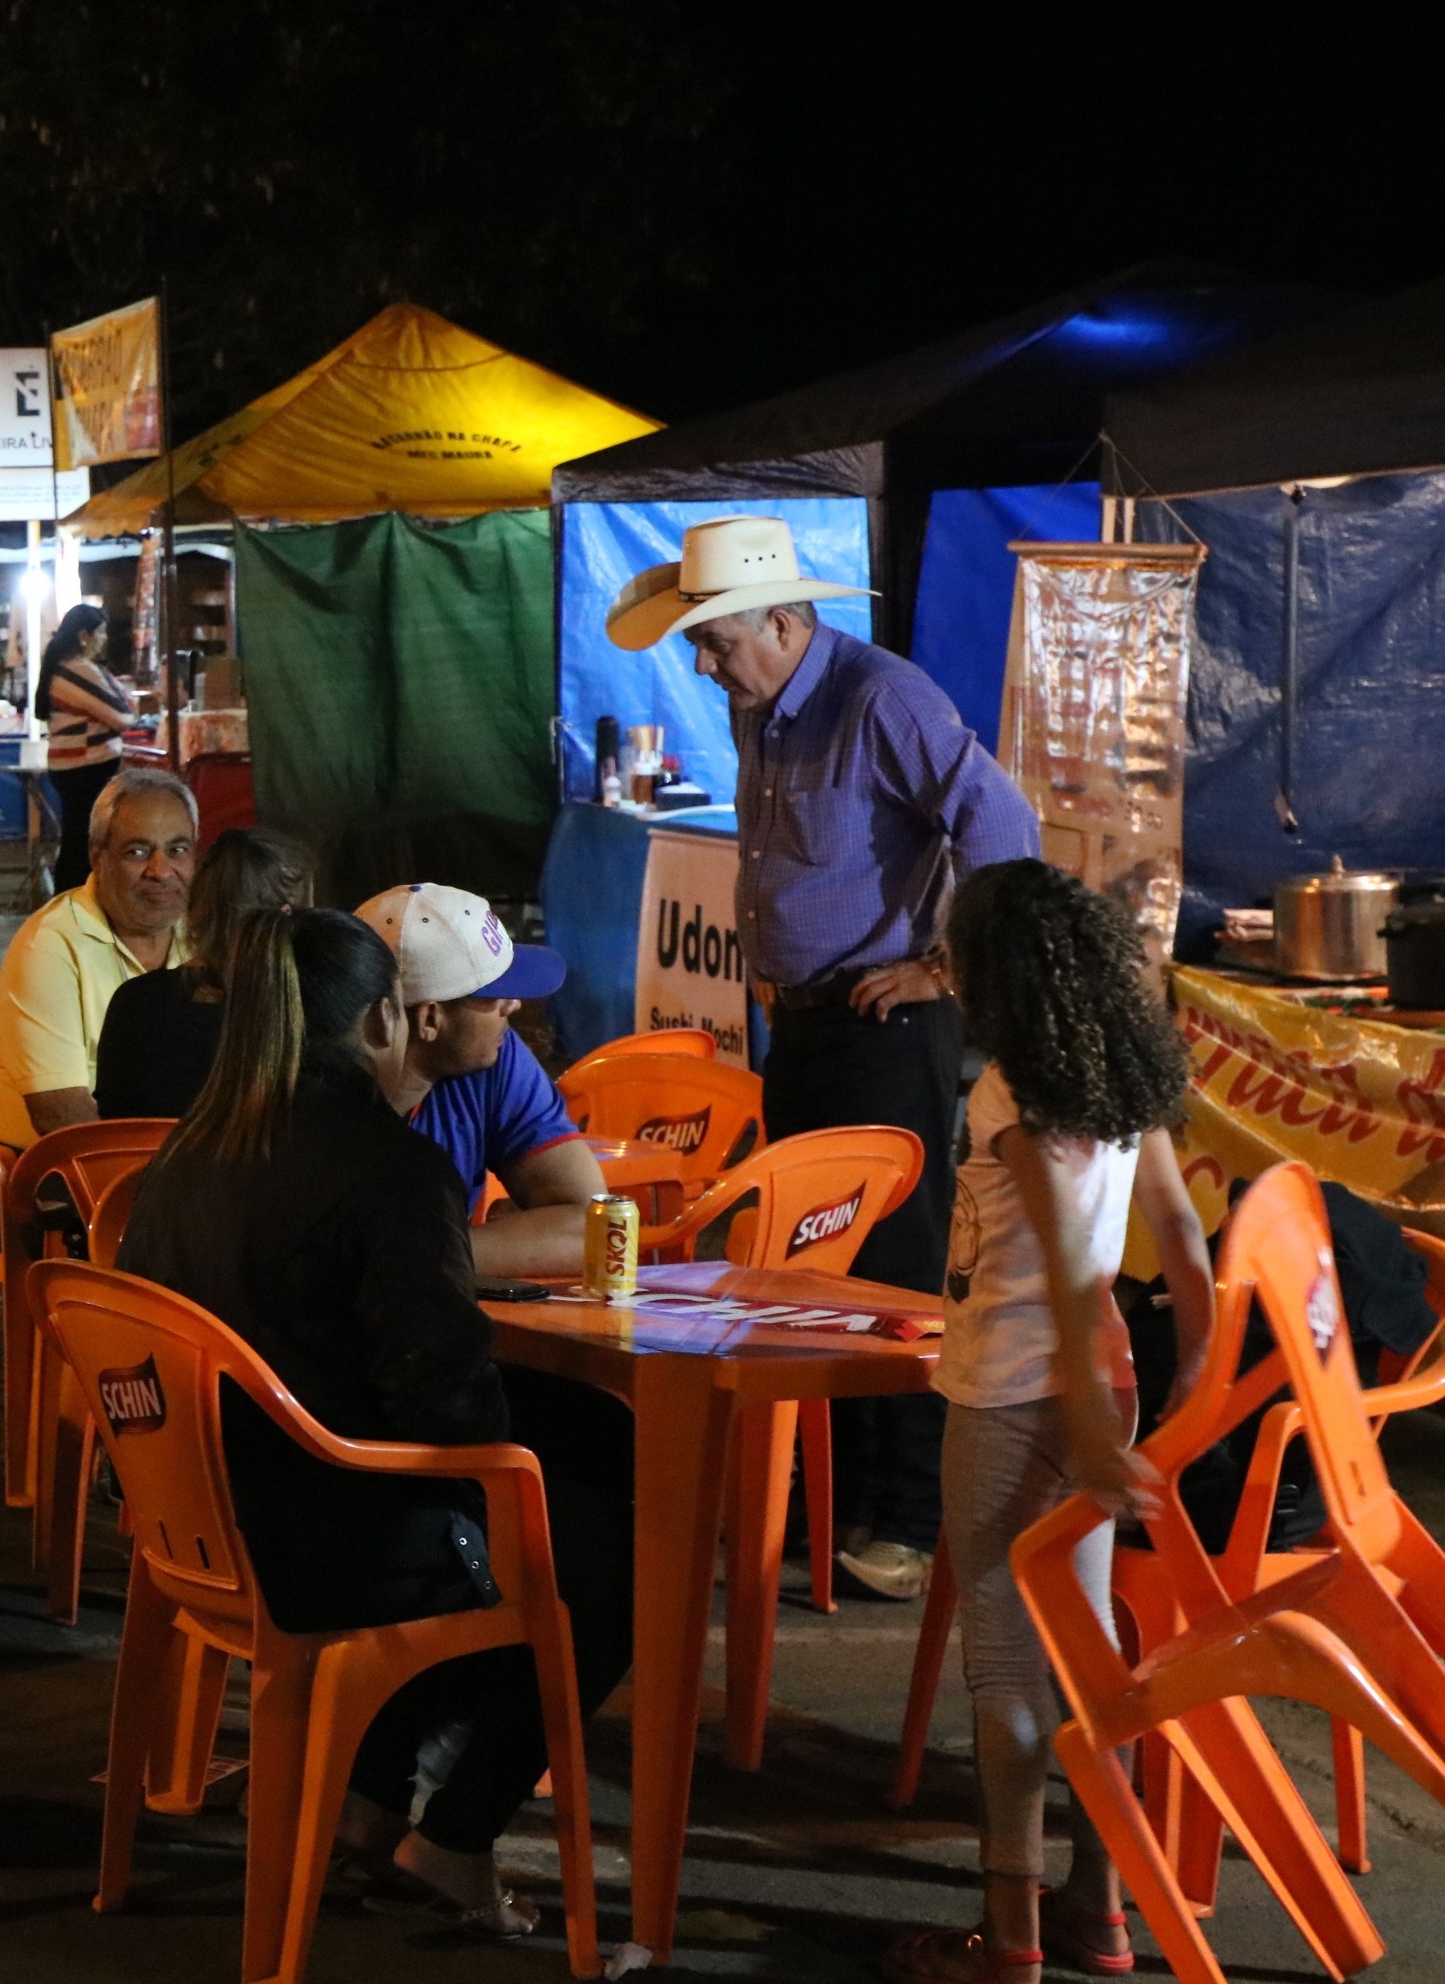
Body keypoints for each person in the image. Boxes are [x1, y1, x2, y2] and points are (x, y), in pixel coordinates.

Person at [115, 905, 633, 1938]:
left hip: (199, 1516)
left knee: (571, 1456)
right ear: (382, 1024)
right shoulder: (388, 1171)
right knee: (610, 1566)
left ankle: (371, 1794)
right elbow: (447, 1411)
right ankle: (455, 1837)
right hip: (320, 1538)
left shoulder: (181, 1162)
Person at [610, 513, 1039, 1599]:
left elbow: (1002, 820)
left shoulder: (880, 697)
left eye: (718, 643)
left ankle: (904, 1518)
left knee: (891, 1277)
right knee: (806, 1273)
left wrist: (944, 967)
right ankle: (833, 1502)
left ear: (788, 621)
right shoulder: (772, 701)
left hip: (882, 1024)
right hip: (805, 1021)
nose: (705, 667)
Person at [877, 860, 1213, 1984]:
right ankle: (1098, 1908)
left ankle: (1008, 1944)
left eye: (955, 957)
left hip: (1017, 1398)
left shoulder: (1012, 1091)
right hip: (1095, 1390)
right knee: (1083, 1660)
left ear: (995, 977)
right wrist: (1184, 1379)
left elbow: (1074, 1271)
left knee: (1009, 1669)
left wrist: (1090, 1416)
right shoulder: (1121, 1078)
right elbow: (1180, 1231)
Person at [0, 766, 197, 1245]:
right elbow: (61, 1117)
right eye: (138, 851)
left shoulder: (200, 935)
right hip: (30, 1165)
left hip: (156, 1156)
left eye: (177, 850)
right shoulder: (51, 945)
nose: (161, 871)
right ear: (98, 856)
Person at [357, 882, 607, 1278]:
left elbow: (594, 1228)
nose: (514, 1004)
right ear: (429, 1019)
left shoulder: (491, 1057)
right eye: (494, 993)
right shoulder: (317, 1090)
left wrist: (424, 1260)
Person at [93, 826, 314, 1120]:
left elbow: (113, 1126)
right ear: (286, 917)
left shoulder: (132, 1001)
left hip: (144, 1167)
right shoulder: (306, 1008)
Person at [37, 603, 136, 895]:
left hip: (71, 767)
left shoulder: (61, 667)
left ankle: (69, 903)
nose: (104, 639)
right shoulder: (79, 669)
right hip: (86, 766)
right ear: (84, 635)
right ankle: (74, 903)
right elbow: (123, 715)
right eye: (101, 633)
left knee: (75, 839)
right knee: (83, 843)